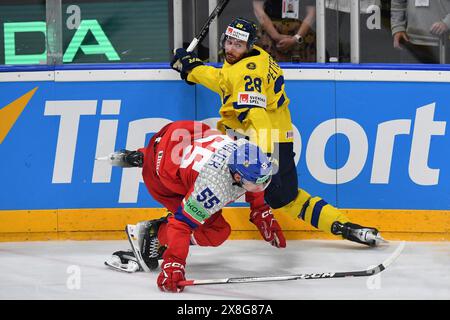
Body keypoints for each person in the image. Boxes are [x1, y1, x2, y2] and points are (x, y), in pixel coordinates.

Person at [170, 17, 385, 252]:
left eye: (237, 45)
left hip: (262, 140)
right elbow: (223, 80)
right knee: (284, 196)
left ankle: (171, 229)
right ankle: (344, 226)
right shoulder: (252, 58)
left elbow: (258, 118)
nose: (231, 49)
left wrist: (261, 156)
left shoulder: (248, 73)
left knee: (264, 194)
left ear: (249, 46)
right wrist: (192, 69)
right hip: (273, 135)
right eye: (229, 42)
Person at [104, 120, 286, 292]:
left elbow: (256, 179)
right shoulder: (212, 188)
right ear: (236, 177)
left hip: (181, 134)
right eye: (255, 184)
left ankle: (144, 155)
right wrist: (174, 263)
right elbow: (181, 224)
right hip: (160, 174)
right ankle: (153, 234)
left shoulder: (249, 152)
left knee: (195, 153)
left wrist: (261, 211)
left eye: (264, 181)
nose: (260, 188)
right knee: (215, 233)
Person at [252, 0, 316, 62]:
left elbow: (312, 13)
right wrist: (275, 36)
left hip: (300, 32)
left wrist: (296, 38)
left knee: (302, 66)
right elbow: (258, 9)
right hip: (270, 31)